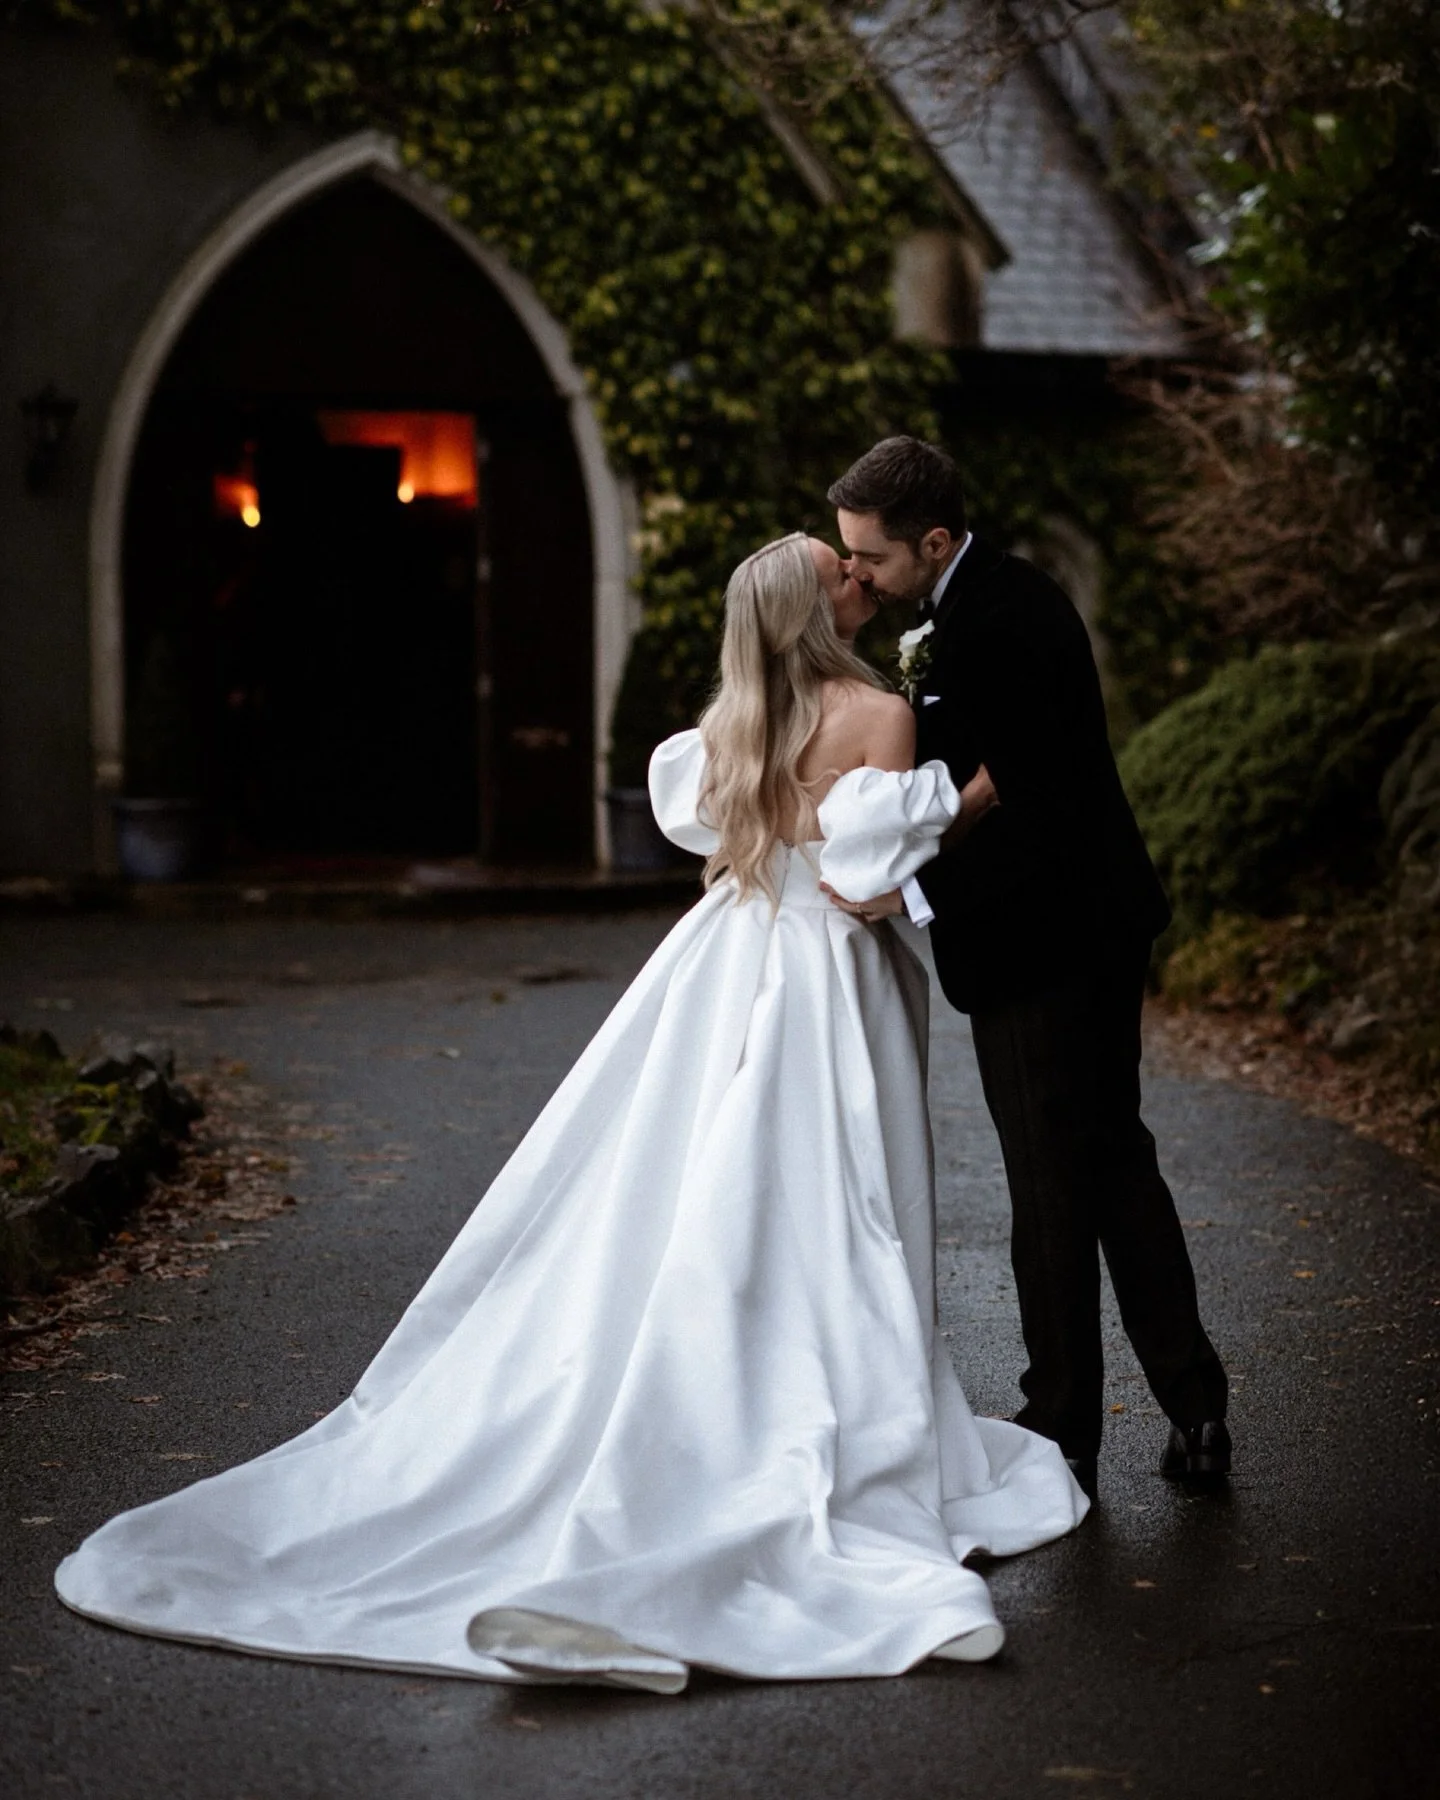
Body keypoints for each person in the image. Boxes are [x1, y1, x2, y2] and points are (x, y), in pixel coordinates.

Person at [56, 533, 1087, 1693]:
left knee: (704, 1180)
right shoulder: (879, 715)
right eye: (837, 571)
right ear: (813, 613)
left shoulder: (730, 724)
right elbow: (867, 885)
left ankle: (719, 1376)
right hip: (829, 978)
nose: (859, 575)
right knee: (837, 1194)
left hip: (727, 956)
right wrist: (977, 794)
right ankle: (817, 1400)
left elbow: (731, 837)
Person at [825, 439, 1230, 1501]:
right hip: (1084, 927)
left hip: (1045, 941)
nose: (857, 573)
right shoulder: (987, 603)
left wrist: (911, 892)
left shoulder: (1001, 621)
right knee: (1112, 1162)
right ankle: (1194, 1410)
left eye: (871, 557)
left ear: (935, 542)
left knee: (1051, 1187)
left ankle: (1061, 1429)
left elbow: (1033, 804)